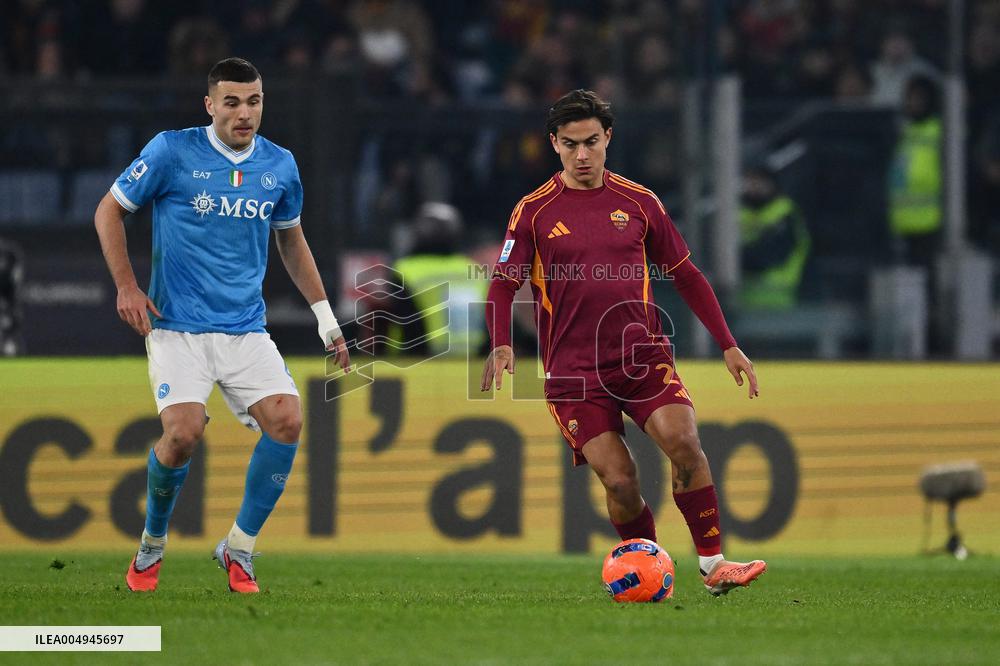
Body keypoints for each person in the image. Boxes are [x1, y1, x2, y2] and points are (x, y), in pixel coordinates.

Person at [481, 90, 765, 595]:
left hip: (641, 358)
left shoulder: (639, 202)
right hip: (573, 374)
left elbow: (687, 275)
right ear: (554, 145)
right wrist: (501, 343)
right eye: (570, 145)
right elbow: (503, 282)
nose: (582, 155)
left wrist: (728, 343)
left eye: (592, 142)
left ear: (608, 137)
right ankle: (653, 569)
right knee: (620, 481)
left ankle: (713, 564)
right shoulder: (532, 212)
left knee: (684, 443)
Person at [94, 57, 351, 594]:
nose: (244, 113)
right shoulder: (172, 151)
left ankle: (239, 547)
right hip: (177, 326)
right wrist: (126, 285)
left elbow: (291, 240)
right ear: (209, 104)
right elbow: (109, 211)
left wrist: (326, 318)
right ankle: (151, 546)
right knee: (183, 434)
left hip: (245, 328)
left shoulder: (280, 166)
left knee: (287, 420)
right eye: (231, 102)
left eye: (253, 101)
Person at [739, 165, 811, 310]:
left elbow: (770, 254)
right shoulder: (738, 212)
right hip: (742, 304)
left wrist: (738, 256)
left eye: (758, 180)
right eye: (750, 180)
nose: (753, 186)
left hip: (777, 304)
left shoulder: (784, 212)